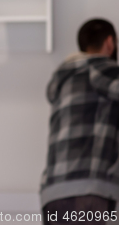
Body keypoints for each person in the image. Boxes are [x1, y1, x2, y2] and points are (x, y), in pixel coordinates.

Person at [41, 18, 119, 224]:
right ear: (110, 43)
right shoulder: (102, 69)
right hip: (88, 192)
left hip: (53, 194)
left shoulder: (64, 79)